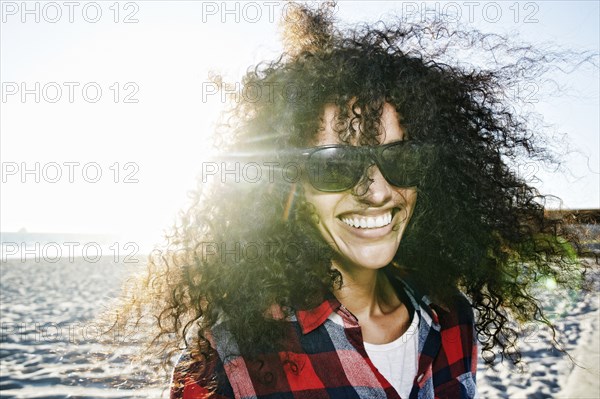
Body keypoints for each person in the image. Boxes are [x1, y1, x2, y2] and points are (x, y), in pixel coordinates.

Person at [118, 3, 589, 399]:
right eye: (335, 165)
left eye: (401, 161)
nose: (377, 190)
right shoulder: (231, 355)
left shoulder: (452, 316)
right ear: (289, 185)